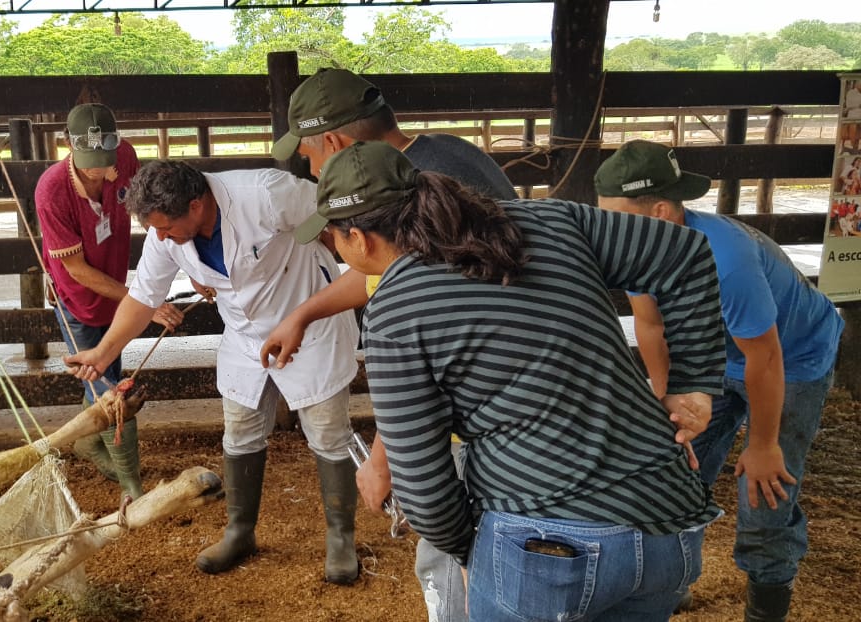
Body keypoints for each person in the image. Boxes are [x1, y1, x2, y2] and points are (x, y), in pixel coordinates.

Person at [302, 140, 725, 620]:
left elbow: (423, 483)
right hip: (666, 521)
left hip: (546, 543)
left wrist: (470, 553)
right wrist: (695, 381)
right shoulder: (551, 218)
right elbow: (686, 254)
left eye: (332, 236)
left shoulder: (395, 309)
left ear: (357, 237)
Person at [266, 67, 519, 621]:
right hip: (511, 386)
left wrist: (384, 459)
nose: (310, 169)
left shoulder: (419, 190)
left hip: (478, 409)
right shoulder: (440, 160)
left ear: (333, 142)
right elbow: (384, 266)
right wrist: (306, 312)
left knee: (450, 551)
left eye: (308, 156)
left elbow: (426, 344)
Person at [65, 159, 363, 585]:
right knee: (240, 434)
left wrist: (328, 250)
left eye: (167, 227)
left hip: (311, 326)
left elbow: (338, 216)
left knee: (328, 435)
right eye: (156, 230)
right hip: (245, 337)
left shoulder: (267, 193)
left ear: (196, 204)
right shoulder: (164, 232)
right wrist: (104, 350)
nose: (162, 237)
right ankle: (240, 532)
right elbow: (144, 297)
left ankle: (341, 538)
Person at [595, 140, 844, 622]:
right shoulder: (633, 247)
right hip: (714, 355)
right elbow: (650, 324)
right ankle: (672, 580)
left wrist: (764, 442)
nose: (605, 228)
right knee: (676, 468)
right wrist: (668, 400)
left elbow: (766, 358)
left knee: (765, 484)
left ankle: (766, 600)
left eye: (614, 215)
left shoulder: (724, 261)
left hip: (792, 356)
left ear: (661, 211)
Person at [35, 103, 182, 501]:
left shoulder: (127, 157)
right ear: (69, 146)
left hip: (116, 293)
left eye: (106, 160)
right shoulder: (51, 191)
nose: (101, 170)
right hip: (78, 300)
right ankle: (131, 482)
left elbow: (151, 217)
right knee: (111, 386)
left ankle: (90, 442)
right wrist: (144, 302)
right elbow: (77, 271)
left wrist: (189, 265)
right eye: (90, 163)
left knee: (108, 375)